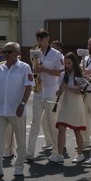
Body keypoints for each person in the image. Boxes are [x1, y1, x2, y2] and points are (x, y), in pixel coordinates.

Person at [0, 43, 32, 179]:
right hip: (1, 110)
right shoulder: (0, 69)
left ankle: (19, 167)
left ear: (17, 53)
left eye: (9, 52)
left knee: (20, 141)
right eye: (4, 52)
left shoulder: (24, 67)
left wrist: (22, 104)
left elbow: (29, 87)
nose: (6, 54)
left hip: (17, 110)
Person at [26, 29, 64, 160]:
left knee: (52, 123)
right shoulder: (35, 52)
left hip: (51, 91)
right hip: (38, 91)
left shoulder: (56, 54)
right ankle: (29, 152)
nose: (40, 41)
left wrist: (43, 69)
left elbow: (61, 72)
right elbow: (34, 69)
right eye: (38, 39)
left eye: (42, 39)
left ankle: (56, 152)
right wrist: (35, 72)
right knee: (35, 122)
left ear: (47, 39)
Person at [51, 54, 89, 163]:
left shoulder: (80, 75)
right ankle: (59, 155)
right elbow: (60, 91)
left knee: (77, 130)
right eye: (65, 63)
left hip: (75, 105)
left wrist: (67, 88)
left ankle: (80, 154)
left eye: (69, 63)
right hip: (65, 104)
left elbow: (81, 92)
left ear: (74, 63)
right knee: (61, 129)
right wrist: (59, 92)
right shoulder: (63, 75)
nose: (67, 65)